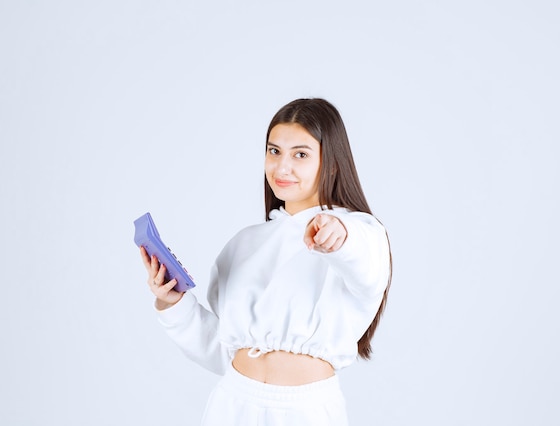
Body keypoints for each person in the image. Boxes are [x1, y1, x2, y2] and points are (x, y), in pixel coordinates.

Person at [140, 98, 392, 425]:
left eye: (300, 154)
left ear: (331, 163)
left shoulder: (362, 233)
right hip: (233, 403)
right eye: (274, 151)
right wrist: (174, 304)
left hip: (306, 411)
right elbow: (223, 350)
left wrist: (338, 234)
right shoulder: (244, 243)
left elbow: (366, 265)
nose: (281, 167)